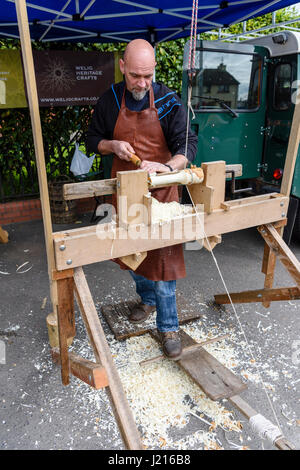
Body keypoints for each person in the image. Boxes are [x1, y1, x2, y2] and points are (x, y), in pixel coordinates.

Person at [86, 39, 198, 359]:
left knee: (165, 263)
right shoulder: (108, 101)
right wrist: (112, 146)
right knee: (133, 256)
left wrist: (166, 166)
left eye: (148, 75)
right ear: (122, 67)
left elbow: (187, 146)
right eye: (135, 75)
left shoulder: (167, 101)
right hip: (126, 195)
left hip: (162, 196)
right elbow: (93, 139)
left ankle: (169, 326)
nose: (142, 83)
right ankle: (146, 300)